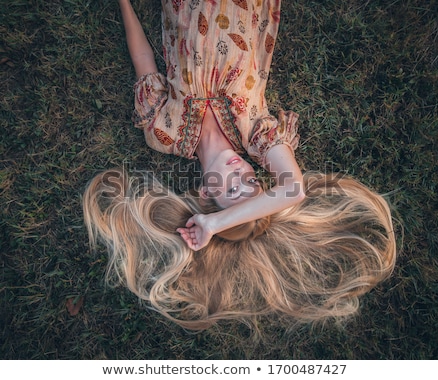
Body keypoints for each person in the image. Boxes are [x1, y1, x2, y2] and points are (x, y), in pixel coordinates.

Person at [83, 0, 397, 332]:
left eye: (233, 189)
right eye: (253, 182)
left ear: (206, 191)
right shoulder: (255, 134)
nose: (242, 173)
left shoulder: (164, 133)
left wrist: (124, 5)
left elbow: (143, 60)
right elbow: (293, 189)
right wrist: (219, 219)